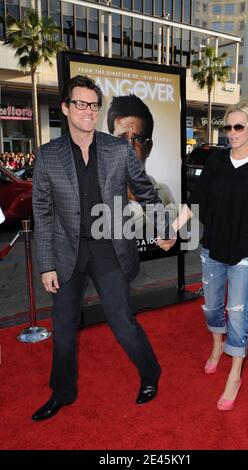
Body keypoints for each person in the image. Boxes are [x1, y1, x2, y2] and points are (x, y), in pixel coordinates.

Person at [32, 75, 163, 421]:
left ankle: (150, 372)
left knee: (122, 324)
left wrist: (164, 227)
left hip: (109, 249)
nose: (88, 111)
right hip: (65, 254)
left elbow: (146, 192)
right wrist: (45, 264)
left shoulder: (118, 149)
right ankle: (62, 392)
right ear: (65, 108)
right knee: (62, 330)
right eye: (80, 103)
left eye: (93, 104)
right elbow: (42, 214)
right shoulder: (47, 156)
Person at [157, 103, 248, 411]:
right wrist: (172, 230)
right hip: (212, 249)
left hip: (245, 254)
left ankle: (235, 374)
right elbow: (193, 201)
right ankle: (216, 345)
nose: (232, 133)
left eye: (239, 127)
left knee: (238, 313)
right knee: (211, 308)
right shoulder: (216, 161)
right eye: (228, 127)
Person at [107, 94, 177, 237]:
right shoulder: (96, 191)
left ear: (149, 147)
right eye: (122, 138)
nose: (129, 147)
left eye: (138, 139)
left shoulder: (164, 193)